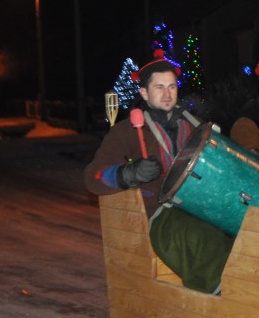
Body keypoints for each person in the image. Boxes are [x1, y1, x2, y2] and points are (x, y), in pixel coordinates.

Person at [84, 50, 234, 294]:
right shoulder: (127, 131)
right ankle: (223, 292)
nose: (167, 94)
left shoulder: (195, 125)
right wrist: (130, 174)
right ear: (144, 93)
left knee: (243, 227)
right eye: (159, 87)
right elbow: (94, 177)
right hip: (160, 213)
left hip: (202, 203)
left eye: (172, 87)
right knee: (201, 235)